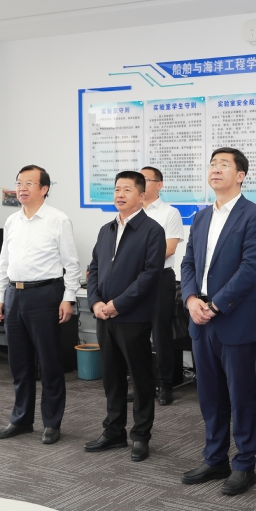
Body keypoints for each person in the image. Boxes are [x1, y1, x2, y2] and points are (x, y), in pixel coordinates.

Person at [180, 147, 256, 496]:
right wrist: (191, 299)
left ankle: (245, 464)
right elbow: (188, 263)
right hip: (200, 317)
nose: (215, 169)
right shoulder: (201, 216)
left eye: (223, 165)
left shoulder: (255, 216)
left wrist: (216, 304)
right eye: (212, 164)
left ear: (241, 175)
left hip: (234, 318)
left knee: (241, 395)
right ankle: (215, 457)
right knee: (210, 395)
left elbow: (251, 267)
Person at [0, 165, 81, 445]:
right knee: (19, 364)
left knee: (50, 362)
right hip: (13, 294)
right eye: (19, 183)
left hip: (45, 294)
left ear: (44, 189)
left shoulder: (58, 220)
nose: (22, 188)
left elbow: (72, 264)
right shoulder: (12, 221)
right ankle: (21, 420)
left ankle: (52, 422)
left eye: (29, 183)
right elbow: (3, 262)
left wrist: (68, 297)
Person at [85, 171, 166, 461]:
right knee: (112, 377)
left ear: (142, 196)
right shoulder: (106, 229)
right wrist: (95, 302)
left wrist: (118, 304)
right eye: (117, 189)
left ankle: (141, 436)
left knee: (140, 378)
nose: (120, 194)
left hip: (132, 317)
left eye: (127, 190)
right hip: (104, 317)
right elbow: (94, 268)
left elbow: (150, 275)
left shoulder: (152, 230)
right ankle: (114, 431)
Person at [140, 166, 184, 406]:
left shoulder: (170, 213)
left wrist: (137, 262)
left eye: (146, 179)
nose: (141, 183)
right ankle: (143, 385)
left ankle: (165, 385)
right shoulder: (131, 211)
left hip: (159, 278)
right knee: (136, 334)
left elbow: (170, 248)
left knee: (160, 334)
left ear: (159, 184)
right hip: (133, 280)